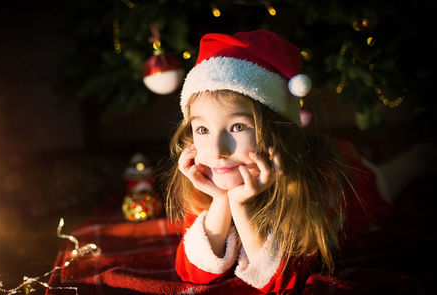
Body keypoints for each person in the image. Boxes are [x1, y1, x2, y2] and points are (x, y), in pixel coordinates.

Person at [164, 30, 433, 294]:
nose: (218, 150)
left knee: (400, 174)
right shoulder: (209, 180)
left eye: (237, 127)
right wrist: (222, 201)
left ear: (275, 132)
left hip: (356, 182)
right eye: (202, 130)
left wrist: (240, 207)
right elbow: (192, 272)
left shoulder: (311, 186)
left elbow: (282, 282)